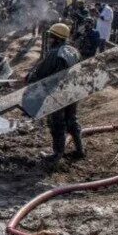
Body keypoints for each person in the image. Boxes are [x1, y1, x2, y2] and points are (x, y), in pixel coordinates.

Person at [26, 23, 83, 163]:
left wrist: (29, 78)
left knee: (57, 123)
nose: (49, 39)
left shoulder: (54, 53)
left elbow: (41, 74)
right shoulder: (73, 51)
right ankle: (80, 149)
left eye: (51, 37)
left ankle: (57, 154)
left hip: (57, 93)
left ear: (56, 38)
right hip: (73, 91)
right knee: (72, 120)